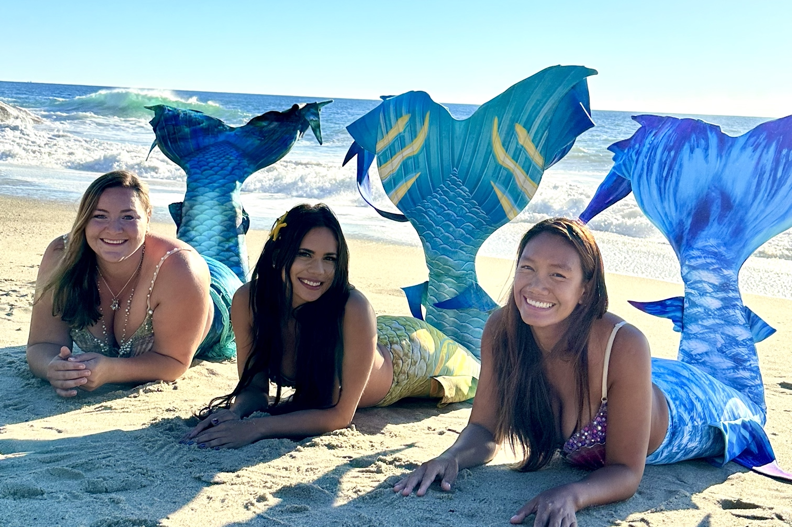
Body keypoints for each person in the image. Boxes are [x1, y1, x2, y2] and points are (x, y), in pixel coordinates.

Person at [394, 218, 777, 528]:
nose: (536, 284)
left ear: (585, 289)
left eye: (558, 275)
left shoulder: (623, 344)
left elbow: (626, 471)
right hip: (643, 378)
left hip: (694, 406)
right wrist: (453, 457)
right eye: (527, 267)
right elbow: (485, 429)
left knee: (748, 407)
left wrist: (572, 494)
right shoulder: (503, 330)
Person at [183, 203, 481, 448]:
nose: (320, 271)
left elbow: (340, 415)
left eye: (330, 259)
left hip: (415, 357)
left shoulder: (353, 307)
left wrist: (257, 428)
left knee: (479, 372)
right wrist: (235, 413)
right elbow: (254, 391)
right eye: (305, 254)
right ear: (277, 255)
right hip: (371, 338)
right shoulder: (250, 300)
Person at [27, 170, 238, 397]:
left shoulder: (181, 268)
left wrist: (112, 370)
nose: (114, 229)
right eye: (100, 216)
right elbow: (41, 344)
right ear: (84, 218)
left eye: (128, 217)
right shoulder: (62, 256)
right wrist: (53, 368)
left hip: (209, 289)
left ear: (148, 217)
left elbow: (174, 361)